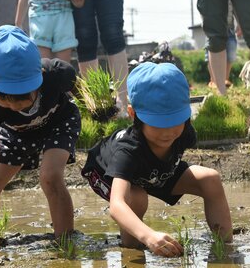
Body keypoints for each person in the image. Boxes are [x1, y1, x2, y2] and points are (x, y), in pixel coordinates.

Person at [81, 62, 232, 257]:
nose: (169, 132)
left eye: (176, 121)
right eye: (159, 124)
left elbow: (172, 161)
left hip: (154, 171)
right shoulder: (127, 150)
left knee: (210, 179)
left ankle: (227, 248)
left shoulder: (184, 132)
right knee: (136, 198)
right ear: (133, 114)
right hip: (106, 172)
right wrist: (149, 236)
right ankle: (131, 250)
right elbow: (117, 205)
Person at [0, 26, 81, 244]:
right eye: (4, 99)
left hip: (57, 121)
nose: (13, 107)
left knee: (50, 176)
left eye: (22, 99)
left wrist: (99, 105)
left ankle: (66, 243)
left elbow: (84, 91)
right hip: (18, 134)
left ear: (39, 77)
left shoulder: (58, 73)